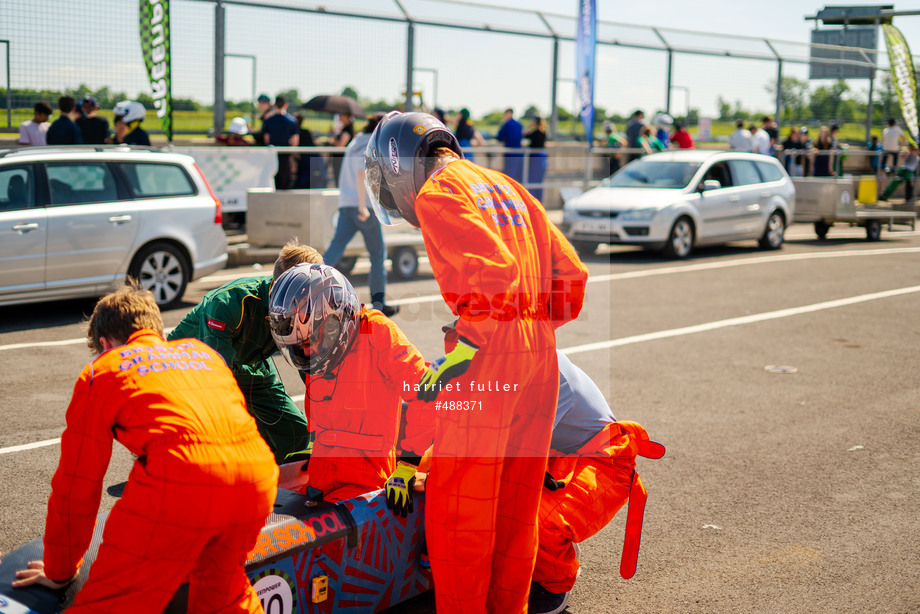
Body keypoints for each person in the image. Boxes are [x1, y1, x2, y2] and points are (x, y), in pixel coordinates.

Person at [365, 111, 589, 613]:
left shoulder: (438, 193)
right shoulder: (506, 185)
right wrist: (531, 328)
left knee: (460, 508)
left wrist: (466, 348)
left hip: (491, 356)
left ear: (399, 163)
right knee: (516, 506)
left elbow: (491, 283)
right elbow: (572, 279)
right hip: (540, 355)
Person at [10, 281, 278, 613]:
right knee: (223, 592)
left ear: (105, 343)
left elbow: (77, 485)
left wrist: (59, 571)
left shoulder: (103, 370)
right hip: (256, 480)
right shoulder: (203, 354)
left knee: (110, 603)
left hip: (182, 483)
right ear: (158, 330)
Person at [409, 348, 665, 614]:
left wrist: (443, 481)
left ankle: (554, 583)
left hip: (603, 463)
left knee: (529, 515)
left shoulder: (549, 376)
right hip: (555, 457)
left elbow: (511, 458)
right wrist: (413, 468)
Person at [267, 263, 428, 502]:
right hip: (320, 481)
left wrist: (408, 465)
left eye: (309, 344)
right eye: (300, 347)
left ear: (333, 323)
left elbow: (427, 395)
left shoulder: (377, 332)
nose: (307, 353)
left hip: (365, 489)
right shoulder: (319, 351)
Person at [167, 239, 320, 463]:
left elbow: (309, 370)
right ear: (278, 286)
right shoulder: (228, 302)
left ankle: (265, 482)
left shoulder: (305, 305)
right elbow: (217, 379)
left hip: (250, 365)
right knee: (208, 445)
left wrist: (326, 425)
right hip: (191, 368)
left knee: (295, 435)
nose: (307, 302)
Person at [323, 112, 398, 316]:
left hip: (346, 203)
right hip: (362, 206)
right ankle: (379, 302)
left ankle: (310, 286)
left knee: (335, 250)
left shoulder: (356, 140)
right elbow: (360, 172)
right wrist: (363, 206)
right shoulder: (370, 144)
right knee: (377, 254)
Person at [262, 95, 299, 189]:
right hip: (285, 154)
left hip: (272, 154)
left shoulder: (269, 120)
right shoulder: (292, 120)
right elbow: (295, 141)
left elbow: (266, 139)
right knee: (285, 182)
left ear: (274, 105)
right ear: (286, 105)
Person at [293, 117, 329, 189]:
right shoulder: (305, 132)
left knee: (305, 181)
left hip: (307, 160)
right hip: (314, 158)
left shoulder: (296, 133)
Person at [496, 107, 525, 182]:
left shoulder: (507, 124)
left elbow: (499, 137)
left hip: (510, 153)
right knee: (518, 178)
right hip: (519, 153)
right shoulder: (519, 124)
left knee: (510, 177)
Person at [526, 115, 548, 202]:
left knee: (532, 182)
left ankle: (533, 202)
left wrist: (529, 127)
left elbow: (524, 135)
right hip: (542, 158)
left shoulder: (535, 133)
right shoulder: (543, 132)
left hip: (536, 159)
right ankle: (539, 202)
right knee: (539, 182)